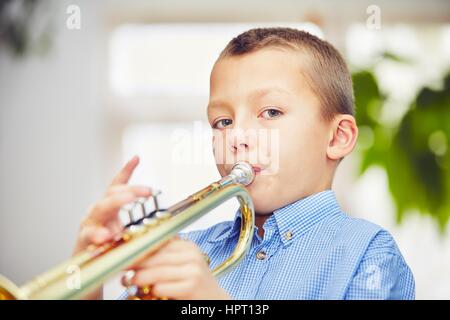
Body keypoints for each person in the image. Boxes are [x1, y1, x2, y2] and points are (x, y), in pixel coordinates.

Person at [73, 27, 415, 300]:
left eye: (270, 112)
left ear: (337, 137)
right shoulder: (190, 249)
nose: (237, 137)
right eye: (223, 121)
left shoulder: (368, 253)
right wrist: (87, 273)